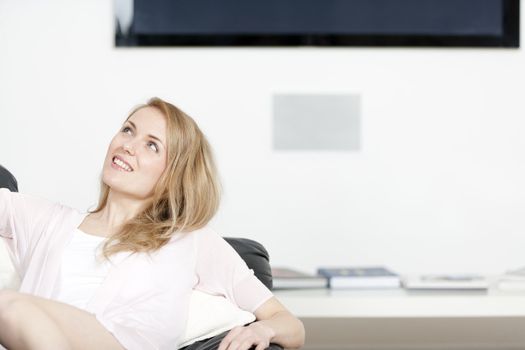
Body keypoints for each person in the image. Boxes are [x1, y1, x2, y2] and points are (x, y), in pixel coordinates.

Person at [0, 97, 305, 350]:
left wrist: (263, 332)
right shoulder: (47, 220)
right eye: (128, 130)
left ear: (173, 175)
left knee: (11, 307)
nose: (128, 145)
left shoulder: (189, 241)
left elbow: (288, 322)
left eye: (152, 145)